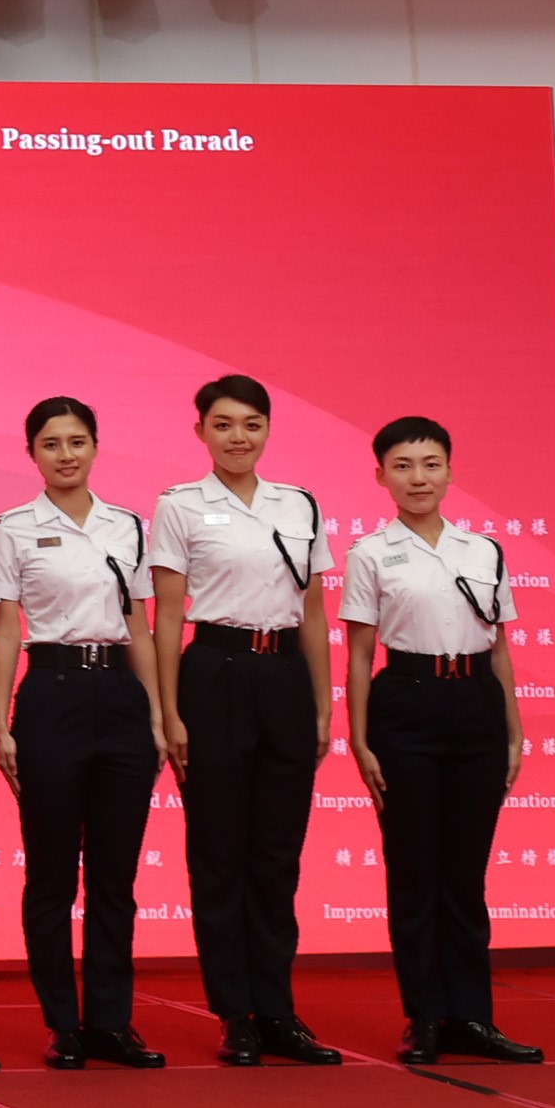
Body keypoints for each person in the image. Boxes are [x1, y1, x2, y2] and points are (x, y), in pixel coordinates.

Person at [151, 374, 343, 1069]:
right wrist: (169, 711)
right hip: (216, 675)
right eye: (225, 424)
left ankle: (278, 1009)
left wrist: (322, 705)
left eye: (252, 424)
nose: (239, 437)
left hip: (285, 677)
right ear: (200, 430)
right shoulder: (180, 506)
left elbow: (316, 614)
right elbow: (168, 615)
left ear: (268, 431)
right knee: (220, 853)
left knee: (276, 856)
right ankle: (235, 1011)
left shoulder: (299, 506)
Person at [342, 416, 541, 1067]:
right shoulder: (370, 553)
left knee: (465, 874)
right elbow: (361, 651)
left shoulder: (482, 551)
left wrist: (513, 730)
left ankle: (473, 1018)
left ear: (450, 471)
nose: (418, 477)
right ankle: (424, 1017)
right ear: (381, 476)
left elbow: (501, 646)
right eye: (403, 465)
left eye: (430, 464)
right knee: (415, 870)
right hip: (405, 705)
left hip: (476, 705)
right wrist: (360, 738)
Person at [0, 397, 168, 1070]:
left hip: (120, 695)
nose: (66, 454)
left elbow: (141, 628)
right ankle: (63, 1022)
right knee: (53, 874)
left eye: (78, 441)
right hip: (50, 694)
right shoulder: (12, 529)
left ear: (95, 447)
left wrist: (155, 714)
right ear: (32, 453)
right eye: (52, 443)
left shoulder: (129, 526)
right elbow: (5, 630)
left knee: (115, 877)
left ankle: (112, 1021)